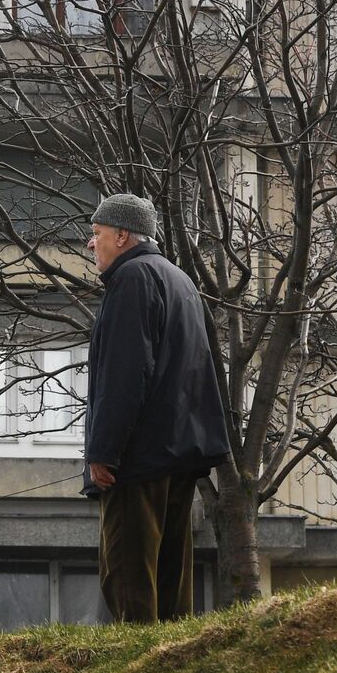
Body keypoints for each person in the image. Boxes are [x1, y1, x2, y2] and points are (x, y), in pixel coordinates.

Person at [82, 193, 230, 623]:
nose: (92, 245)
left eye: (97, 234)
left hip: (138, 459)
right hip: (180, 455)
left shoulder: (132, 279)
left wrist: (104, 452)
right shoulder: (180, 280)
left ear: (122, 236)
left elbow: (125, 374)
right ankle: (171, 667)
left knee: (128, 576)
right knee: (172, 581)